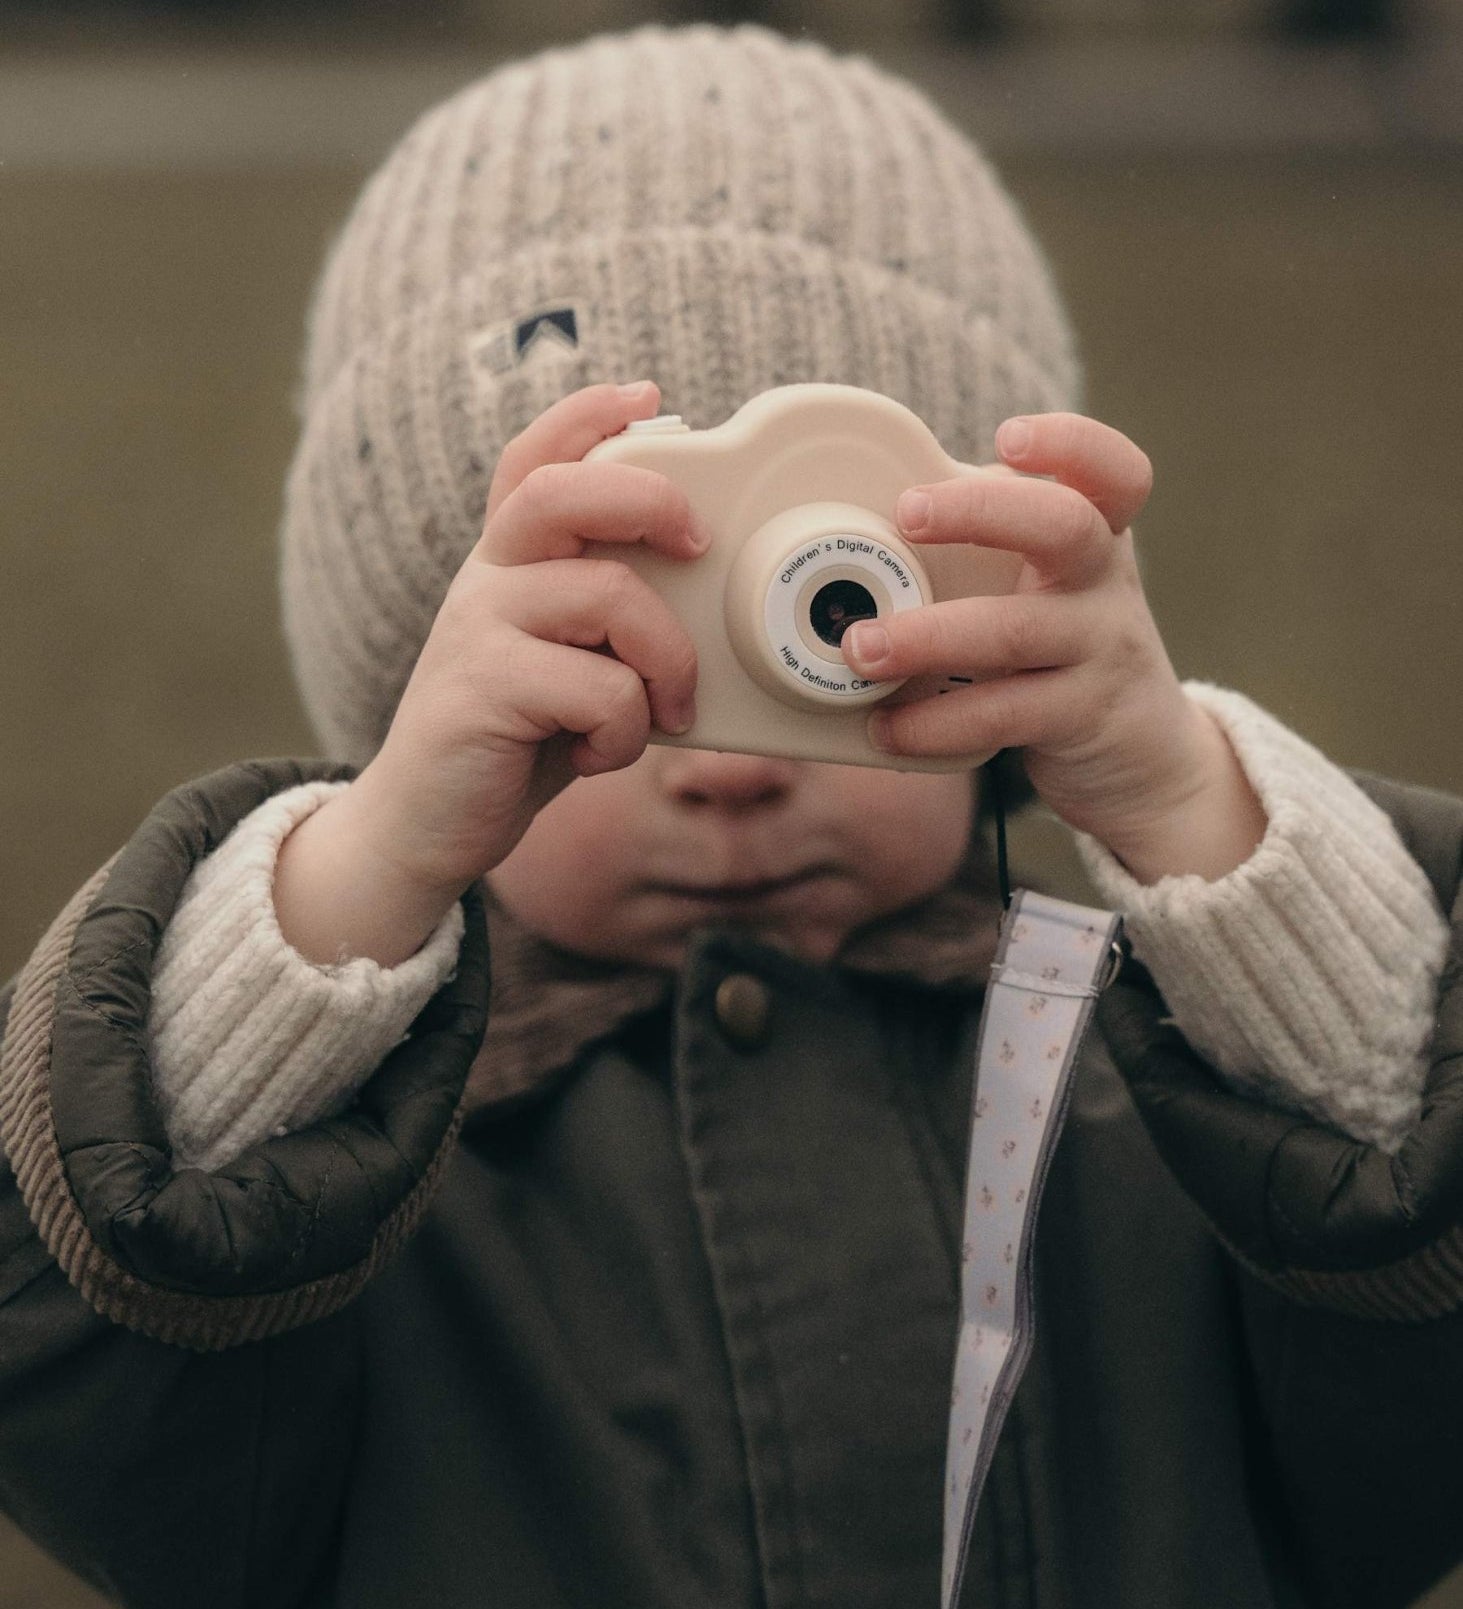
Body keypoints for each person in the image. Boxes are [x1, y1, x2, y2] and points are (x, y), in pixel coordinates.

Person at [1, 22, 1460, 1609]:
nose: (725, 761)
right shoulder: (351, 1198)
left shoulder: (1176, 1106)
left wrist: (1199, 814)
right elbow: (97, 1313)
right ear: (418, 726)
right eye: (602, 662)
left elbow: (1408, 1260)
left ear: (1006, 643)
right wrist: (359, 879)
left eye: (826, 628)